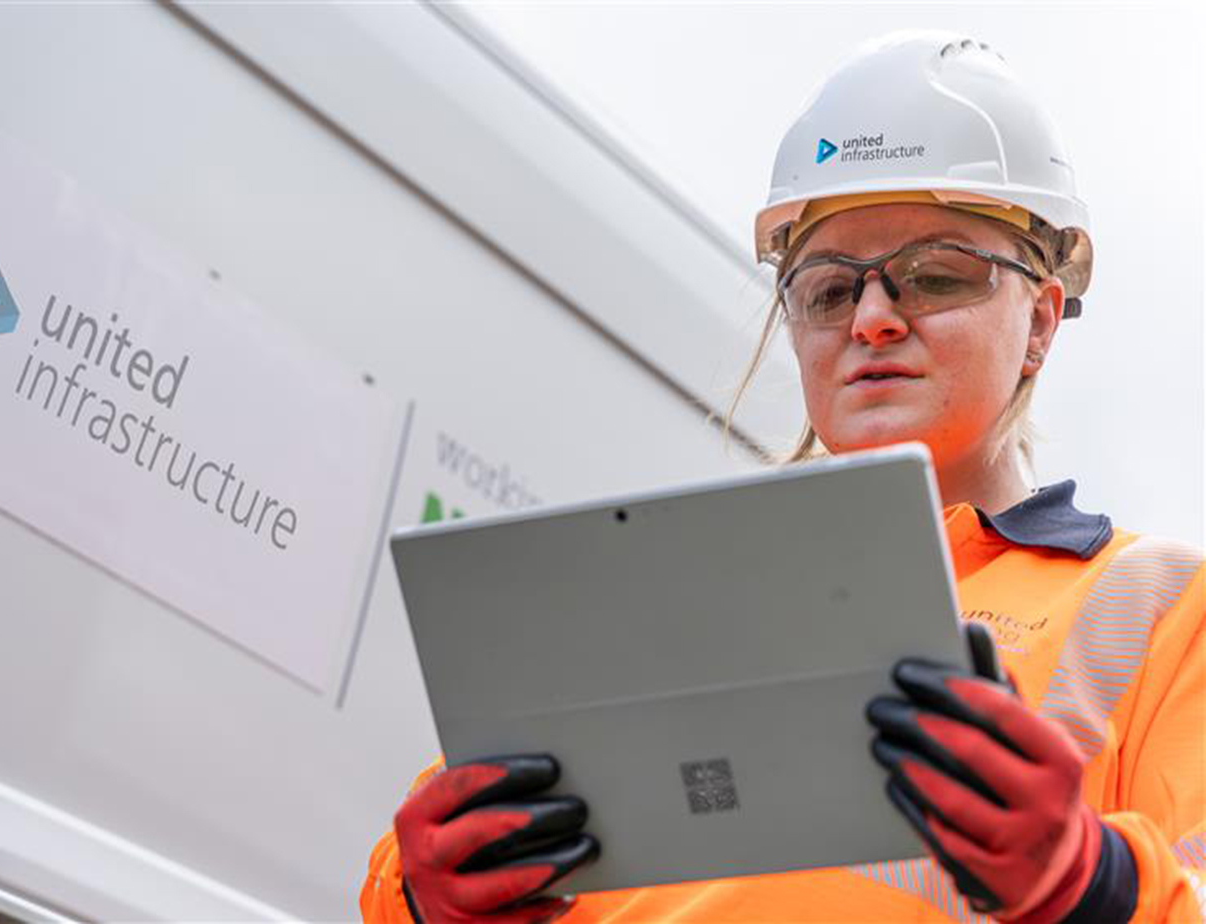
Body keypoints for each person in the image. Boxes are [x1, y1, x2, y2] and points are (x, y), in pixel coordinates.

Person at [360, 30, 1205, 923]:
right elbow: (429, 868)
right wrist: (417, 897)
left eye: (934, 276)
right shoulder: (640, 592)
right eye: (830, 290)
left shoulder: (1156, 608)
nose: (872, 319)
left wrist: (1091, 883)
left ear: (1039, 321)